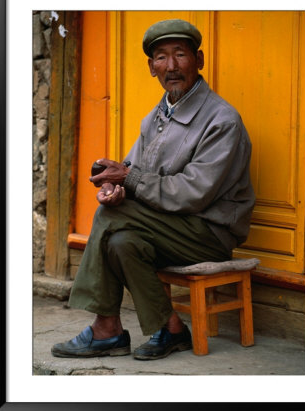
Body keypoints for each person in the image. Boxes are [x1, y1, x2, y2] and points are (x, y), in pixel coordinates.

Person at [51, 19, 255, 361]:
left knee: (111, 217)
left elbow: (193, 193)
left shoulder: (222, 120)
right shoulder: (156, 117)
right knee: (120, 240)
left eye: (180, 55)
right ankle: (171, 329)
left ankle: (106, 329)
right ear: (151, 68)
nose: (171, 66)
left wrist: (126, 183)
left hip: (209, 233)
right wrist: (114, 189)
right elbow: (133, 172)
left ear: (199, 60)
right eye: (161, 57)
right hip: (169, 227)